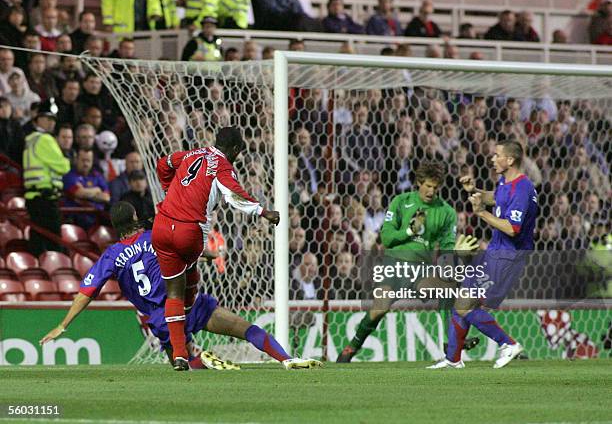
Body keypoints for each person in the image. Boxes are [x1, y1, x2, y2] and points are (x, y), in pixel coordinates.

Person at [40, 201, 322, 371]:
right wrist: (211, 254)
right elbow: (186, 248)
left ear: (114, 225)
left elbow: (86, 292)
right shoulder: (156, 237)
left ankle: (201, 360)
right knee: (244, 328)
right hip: (189, 303)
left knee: (183, 363)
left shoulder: (111, 256)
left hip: (163, 318)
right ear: (136, 215)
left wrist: (63, 325)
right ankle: (286, 359)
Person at [152, 126, 281, 370]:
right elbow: (234, 195)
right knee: (187, 288)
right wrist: (263, 211)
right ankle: (189, 324)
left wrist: (169, 188)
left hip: (162, 225)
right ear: (234, 149)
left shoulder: (191, 154)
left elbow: (163, 162)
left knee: (173, 293)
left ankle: (179, 353)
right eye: (238, 152)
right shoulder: (222, 165)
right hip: (188, 231)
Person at [337, 161, 480, 362]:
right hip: (393, 267)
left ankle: (452, 340)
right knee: (380, 309)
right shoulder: (401, 202)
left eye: (435, 187)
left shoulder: (446, 212)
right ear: (419, 183)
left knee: (447, 285)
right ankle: (351, 349)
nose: (431, 191)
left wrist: (457, 253)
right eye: (428, 186)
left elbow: (446, 251)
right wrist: (409, 231)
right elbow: (386, 238)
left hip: (421, 272)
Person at [429, 140, 538, 369]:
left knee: (465, 305)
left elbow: (512, 228)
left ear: (510, 160)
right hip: (495, 252)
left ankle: (508, 344)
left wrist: (481, 213)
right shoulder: (505, 182)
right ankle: (453, 359)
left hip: (507, 256)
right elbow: (496, 197)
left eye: (496, 155)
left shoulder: (522, 188)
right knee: (463, 298)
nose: (492, 159)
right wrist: (475, 192)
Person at [22, 97, 71, 255]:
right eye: (48, 118)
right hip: (46, 198)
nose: (52, 123)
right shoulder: (45, 139)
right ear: (39, 119)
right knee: (54, 240)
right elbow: (64, 166)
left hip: (33, 196)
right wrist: (65, 160)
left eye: (53, 119)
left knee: (38, 237)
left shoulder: (30, 139)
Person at [62, 148, 110, 230]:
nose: (86, 164)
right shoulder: (69, 176)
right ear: (76, 160)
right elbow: (79, 193)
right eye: (83, 160)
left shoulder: (97, 176)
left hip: (97, 218)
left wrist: (85, 194)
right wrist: (97, 190)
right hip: (76, 219)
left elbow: (106, 197)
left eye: (88, 161)